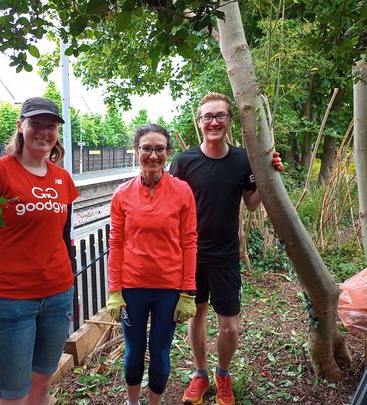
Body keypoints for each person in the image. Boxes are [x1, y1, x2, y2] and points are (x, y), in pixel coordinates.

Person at [0, 97, 78, 405]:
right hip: (11, 303)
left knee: (42, 386)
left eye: (51, 126)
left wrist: (71, 290)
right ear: (20, 126)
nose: (44, 132)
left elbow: (64, 239)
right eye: (36, 124)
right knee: (14, 396)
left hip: (57, 298)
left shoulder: (63, 179)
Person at [170, 92, 282, 405]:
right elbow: (169, 205)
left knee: (229, 327)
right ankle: (201, 374)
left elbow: (251, 201)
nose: (214, 121)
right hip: (191, 254)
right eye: (208, 116)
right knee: (197, 316)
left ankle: (223, 374)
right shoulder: (184, 162)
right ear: (200, 122)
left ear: (229, 121)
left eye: (220, 115)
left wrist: (268, 176)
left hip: (225, 254)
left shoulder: (242, 159)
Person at [106, 124, 198, 405]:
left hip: (168, 290)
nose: (153, 155)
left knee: (159, 351)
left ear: (168, 152)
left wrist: (187, 292)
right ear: (136, 152)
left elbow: (189, 242)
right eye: (147, 148)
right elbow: (116, 243)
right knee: (134, 352)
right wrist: (114, 289)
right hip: (132, 288)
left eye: (159, 148)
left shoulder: (182, 191)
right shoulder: (122, 194)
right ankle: (133, 402)